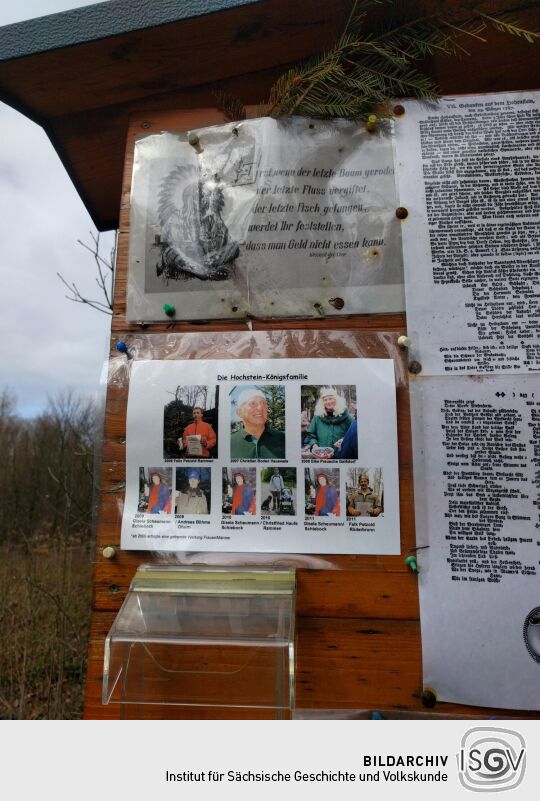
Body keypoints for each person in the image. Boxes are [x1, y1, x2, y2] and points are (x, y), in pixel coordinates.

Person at [230, 388, 285, 459]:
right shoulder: (230, 442)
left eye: (264, 403)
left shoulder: (282, 438)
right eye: (252, 403)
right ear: (239, 412)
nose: (260, 408)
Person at [305, 387, 354, 457]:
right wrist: (314, 445)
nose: (328, 402)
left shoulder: (347, 418)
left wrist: (344, 440)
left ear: (337, 400)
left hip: (341, 456)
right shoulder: (317, 417)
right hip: (320, 457)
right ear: (322, 403)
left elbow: (354, 436)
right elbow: (311, 435)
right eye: (325, 400)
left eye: (331, 398)